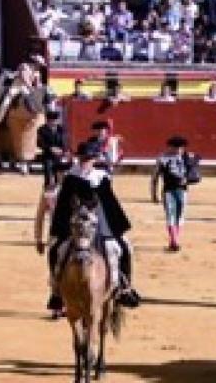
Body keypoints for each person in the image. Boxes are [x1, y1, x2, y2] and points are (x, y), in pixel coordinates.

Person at [46, 141, 142, 316]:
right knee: (55, 250)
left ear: (94, 159)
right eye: (83, 158)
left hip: (102, 226)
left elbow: (110, 204)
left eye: (89, 158)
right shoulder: (70, 178)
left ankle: (125, 288)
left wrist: (116, 227)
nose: (85, 161)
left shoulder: (101, 177)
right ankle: (56, 291)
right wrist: (60, 228)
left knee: (125, 248)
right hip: (75, 226)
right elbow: (62, 207)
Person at [151, 136, 199, 251]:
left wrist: (188, 178)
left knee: (179, 216)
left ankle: (174, 240)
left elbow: (195, 174)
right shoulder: (163, 159)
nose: (178, 150)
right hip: (168, 191)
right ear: (170, 147)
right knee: (171, 215)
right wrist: (154, 193)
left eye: (180, 147)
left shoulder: (187, 157)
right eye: (176, 147)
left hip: (182, 190)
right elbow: (155, 177)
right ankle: (174, 240)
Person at [36, 110, 70, 194]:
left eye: (55, 120)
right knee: (48, 170)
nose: (54, 122)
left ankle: (60, 190)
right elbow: (40, 143)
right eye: (52, 120)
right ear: (48, 120)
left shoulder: (61, 129)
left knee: (61, 173)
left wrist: (64, 151)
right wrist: (50, 148)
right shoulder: (42, 129)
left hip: (60, 155)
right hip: (48, 155)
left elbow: (65, 142)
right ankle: (48, 190)